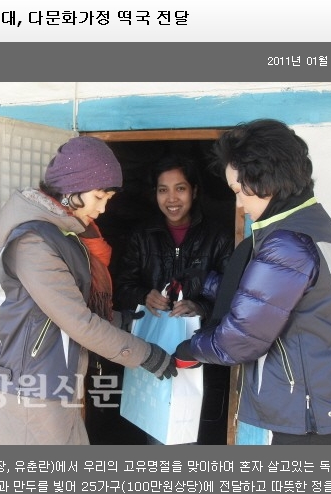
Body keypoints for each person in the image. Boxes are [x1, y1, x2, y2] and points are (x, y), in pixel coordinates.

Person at [173, 119, 331, 445]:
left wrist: (190, 348)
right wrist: (206, 284)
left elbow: (240, 340)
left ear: (265, 180)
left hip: (312, 419)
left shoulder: (287, 242)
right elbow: (274, 299)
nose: (239, 204)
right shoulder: (312, 223)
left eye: (238, 191)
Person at [0, 136, 177, 445]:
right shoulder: (33, 243)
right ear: (72, 188)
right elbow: (78, 321)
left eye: (107, 199)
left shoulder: (62, 235)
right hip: (31, 393)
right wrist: (146, 355)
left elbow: (72, 309)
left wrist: (121, 321)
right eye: (99, 196)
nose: (102, 209)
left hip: (55, 386)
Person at [114, 153, 234, 444]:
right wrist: (144, 295)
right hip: (155, 347)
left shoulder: (218, 236)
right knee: (158, 423)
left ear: (194, 190)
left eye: (180, 188)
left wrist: (200, 307)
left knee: (199, 425)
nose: (172, 199)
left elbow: (234, 295)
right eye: (162, 189)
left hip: (204, 352)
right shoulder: (142, 235)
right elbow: (121, 287)